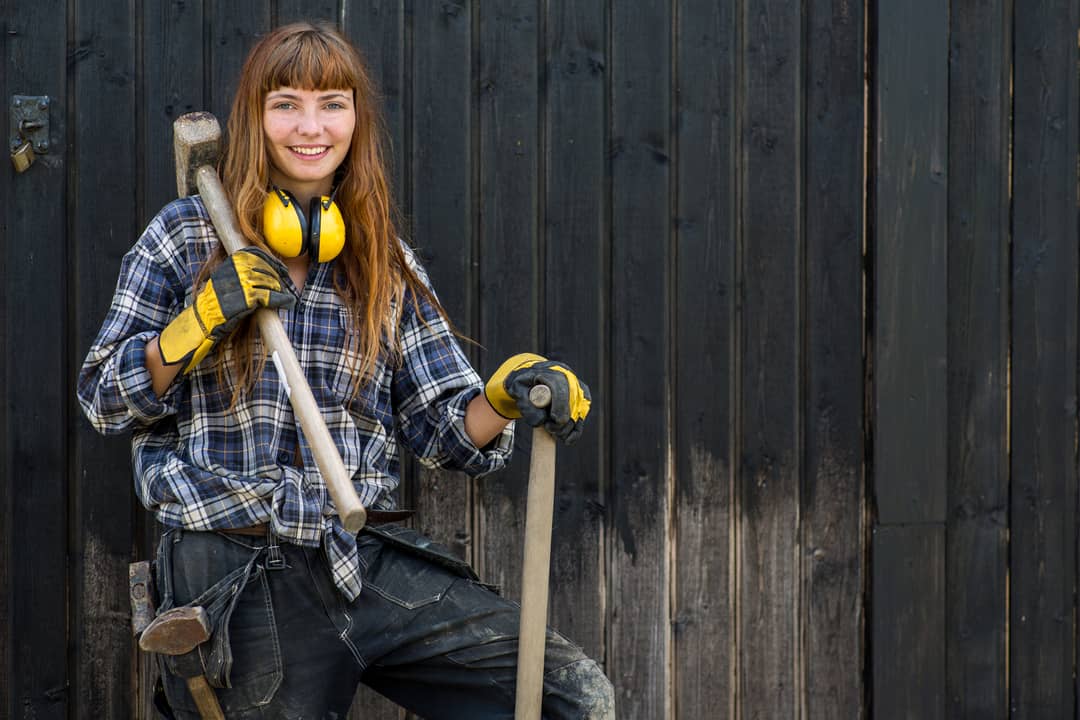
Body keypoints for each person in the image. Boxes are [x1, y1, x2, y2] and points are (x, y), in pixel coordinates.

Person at [78, 21, 614, 720]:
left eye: (332, 103)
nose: (311, 126)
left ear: (356, 120)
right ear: (255, 118)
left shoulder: (378, 258)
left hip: (358, 558)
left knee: (571, 699)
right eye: (286, 104)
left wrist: (507, 396)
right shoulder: (184, 235)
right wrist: (195, 324)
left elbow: (444, 431)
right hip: (235, 565)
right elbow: (103, 401)